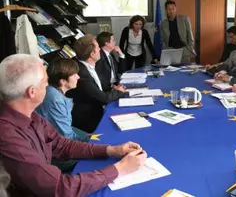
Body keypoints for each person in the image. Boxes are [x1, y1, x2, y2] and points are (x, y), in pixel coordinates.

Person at [0, 54, 147, 197]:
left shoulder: (31, 116)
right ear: (32, 92)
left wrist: (112, 150)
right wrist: (119, 169)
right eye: (45, 83)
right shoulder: (8, 136)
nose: (48, 86)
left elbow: (61, 144)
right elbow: (59, 188)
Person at [67, 35, 126, 133]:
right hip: (88, 120)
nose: (100, 50)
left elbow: (98, 86)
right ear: (92, 54)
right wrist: (119, 92)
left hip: (96, 111)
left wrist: (112, 87)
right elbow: (103, 98)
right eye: (98, 48)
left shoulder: (90, 66)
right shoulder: (81, 73)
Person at [36, 58, 89, 142]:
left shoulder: (53, 92)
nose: (78, 77)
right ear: (63, 81)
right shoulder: (55, 99)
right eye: (74, 75)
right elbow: (67, 136)